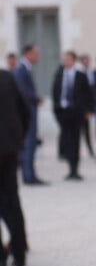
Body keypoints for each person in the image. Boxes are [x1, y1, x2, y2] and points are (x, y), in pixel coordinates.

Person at [0, 69, 30, 266]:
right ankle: (19, 252)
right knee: (12, 200)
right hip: (8, 149)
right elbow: (25, 111)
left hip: (8, 148)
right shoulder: (6, 77)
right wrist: (17, 137)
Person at [52, 50, 93, 180]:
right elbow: (55, 92)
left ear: (74, 60)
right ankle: (70, 168)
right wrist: (57, 109)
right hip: (63, 112)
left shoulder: (80, 76)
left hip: (77, 113)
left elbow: (88, 94)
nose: (65, 61)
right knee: (67, 141)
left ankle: (75, 169)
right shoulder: (59, 75)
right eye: (64, 59)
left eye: (68, 59)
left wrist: (88, 110)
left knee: (75, 141)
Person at [13, 44, 48, 185]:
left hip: (28, 112)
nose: (38, 57)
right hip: (27, 113)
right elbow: (23, 92)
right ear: (28, 53)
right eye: (36, 53)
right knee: (28, 144)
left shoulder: (25, 69)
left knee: (30, 144)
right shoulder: (21, 70)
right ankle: (28, 175)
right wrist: (36, 98)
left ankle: (30, 174)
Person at [78, 53, 96, 157]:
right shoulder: (79, 74)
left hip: (87, 106)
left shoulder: (92, 73)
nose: (86, 62)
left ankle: (90, 149)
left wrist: (89, 109)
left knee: (87, 130)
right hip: (79, 107)